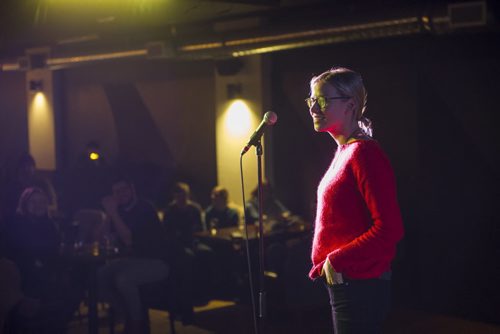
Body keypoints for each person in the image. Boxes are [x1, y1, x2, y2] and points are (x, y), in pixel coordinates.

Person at [307, 67, 404, 333]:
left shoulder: (364, 154)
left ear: (350, 104)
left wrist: (336, 260)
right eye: (311, 100)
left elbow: (389, 229)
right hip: (350, 282)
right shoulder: (346, 151)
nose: (314, 107)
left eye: (323, 100)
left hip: (360, 283)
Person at [0, 187, 81, 333]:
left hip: (48, 270)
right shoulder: (15, 222)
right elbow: (18, 251)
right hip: (22, 275)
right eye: (34, 202)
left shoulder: (48, 224)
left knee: (78, 281)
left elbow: (54, 248)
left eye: (42, 201)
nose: (38, 205)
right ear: (24, 204)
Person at [98, 176, 169, 334]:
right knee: (100, 276)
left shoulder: (144, 207)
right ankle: (126, 314)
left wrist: (113, 213)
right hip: (133, 260)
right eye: (116, 192)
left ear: (132, 189)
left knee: (124, 279)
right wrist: (109, 215)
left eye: (124, 189)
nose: (120, 194)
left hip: (157, 261)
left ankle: (136, 325)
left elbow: (128, 239)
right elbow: (101, 239)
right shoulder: (119, 210)